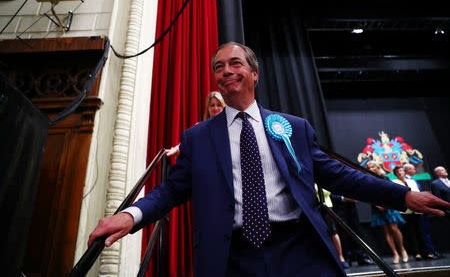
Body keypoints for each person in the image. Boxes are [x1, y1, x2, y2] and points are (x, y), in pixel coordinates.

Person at [88, 42, 450, 277]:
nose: (226, 70)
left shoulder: (291, 127)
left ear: (254, 73)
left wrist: (403, 196)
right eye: (218, 67)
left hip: (300, 249)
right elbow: (171, 191)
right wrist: (130, 215)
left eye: (234, 63)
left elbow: (341, 177)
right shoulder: (198, 137)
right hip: (234, 257)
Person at [366, 161, 408, 264]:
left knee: (394, 228)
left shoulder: (384, 178)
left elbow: (390, 191)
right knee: (387, 232)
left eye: (372, 167)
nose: (371, 169)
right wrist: (377, 205)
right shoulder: (367, 179)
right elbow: (367, 194)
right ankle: (395, 253)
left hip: (388, 207)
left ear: (377, 167)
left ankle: (402, 249)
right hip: (377, 208)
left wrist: (385, 204)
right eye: (368, 167)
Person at [392, 165, 435, 261]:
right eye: (398, 171)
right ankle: (416, 253)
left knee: (420, 231)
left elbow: (418, 194)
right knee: (409, 233)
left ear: (404, 172)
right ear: (395, 174)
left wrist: (422, 207)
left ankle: (426, 252)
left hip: (416, 209)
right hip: (405, 210)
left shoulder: (412, 181)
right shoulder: (394, 183)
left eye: (401, 170)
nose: (400, 172)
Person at [166, 91, 226, 157]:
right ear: (208, 108)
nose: (215, 108)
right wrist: (176, 149)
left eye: (219, 105)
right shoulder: (199, 127)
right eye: (212, 105)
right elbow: (186, 144)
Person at [315, 184, 349, 269]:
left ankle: (341, 257)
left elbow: (328, 192)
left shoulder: (320, 177)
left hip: (327, 206)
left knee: (333, 231)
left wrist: (316, 190)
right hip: (314, 207)